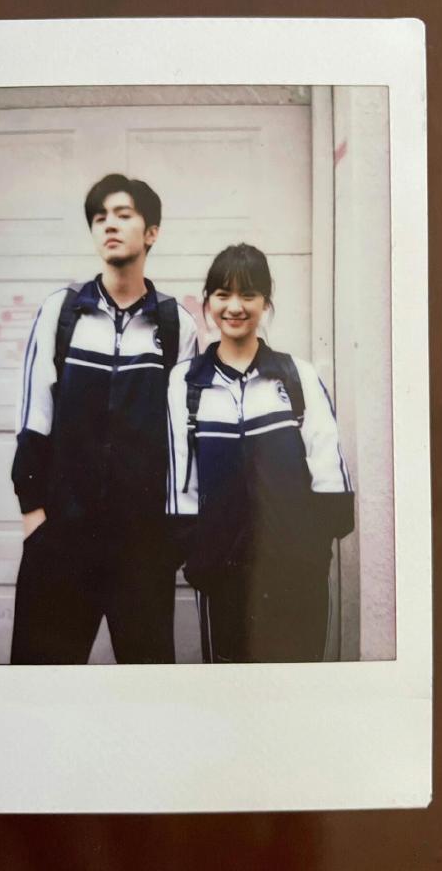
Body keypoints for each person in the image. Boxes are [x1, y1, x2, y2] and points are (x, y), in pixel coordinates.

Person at [10, 174, 198, 664]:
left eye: (123, 215)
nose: (109, 225)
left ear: (151, 232)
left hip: (142, 545)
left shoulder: (175, 324)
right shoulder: (62, 312)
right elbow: (34, 414)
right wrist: (34, 514)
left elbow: (182, 439)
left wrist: (173, 533)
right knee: (40, 680)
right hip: (63, 535)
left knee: (146, 684)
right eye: (99, 218)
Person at [166, 243, 354, 663]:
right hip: (223, 579)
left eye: (248, 294)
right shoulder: (186, 383)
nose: (235, 307)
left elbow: (330, 474)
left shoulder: (297, 376)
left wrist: (310, 551)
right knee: (231, 687)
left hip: (297, 575)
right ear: (208, 301)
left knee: (299, 685)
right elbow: (181, 484)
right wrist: (202, 556)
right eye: (223, 294)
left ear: (265, 302)